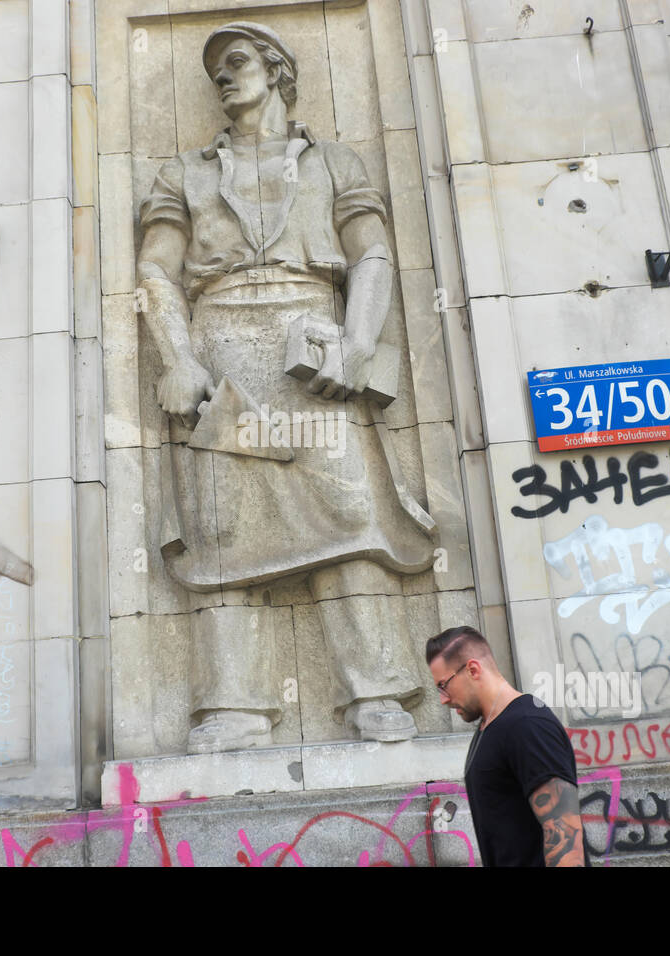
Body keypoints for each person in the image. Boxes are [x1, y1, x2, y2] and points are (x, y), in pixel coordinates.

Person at [136, 21, 438, 753]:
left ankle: (374, 692)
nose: (224, 78)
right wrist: (177, 358)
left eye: (236, 63)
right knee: (224, 529)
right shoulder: (185, 173)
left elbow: (374, 258)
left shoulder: (334, 161)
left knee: (348, 514)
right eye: (215, 71)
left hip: (314, 344)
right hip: (222, 348)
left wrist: (359, 344)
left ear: (276, 69)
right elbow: (154, 272)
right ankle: (232, 706)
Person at [426, 626, 586, 867]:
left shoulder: (527, 726)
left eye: (444, 685)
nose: (443, 699)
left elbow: (566, 842)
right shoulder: (488, 728)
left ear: (472, 669)